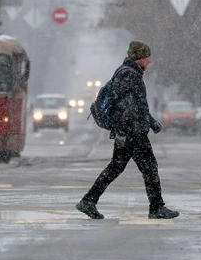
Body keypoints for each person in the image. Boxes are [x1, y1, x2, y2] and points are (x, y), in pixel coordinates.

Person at [76, 41, 180, 220]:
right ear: (139, 58)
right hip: (132, 132)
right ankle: (156, 208)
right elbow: (126, 107)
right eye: (147, 58)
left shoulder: (127, 72)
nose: (149, 62)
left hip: (130, 130)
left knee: (117, 167)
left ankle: (89, 201)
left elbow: (138, 106)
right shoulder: (129, 75)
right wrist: (126, 131)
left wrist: (151, 122)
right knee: (149, 168)